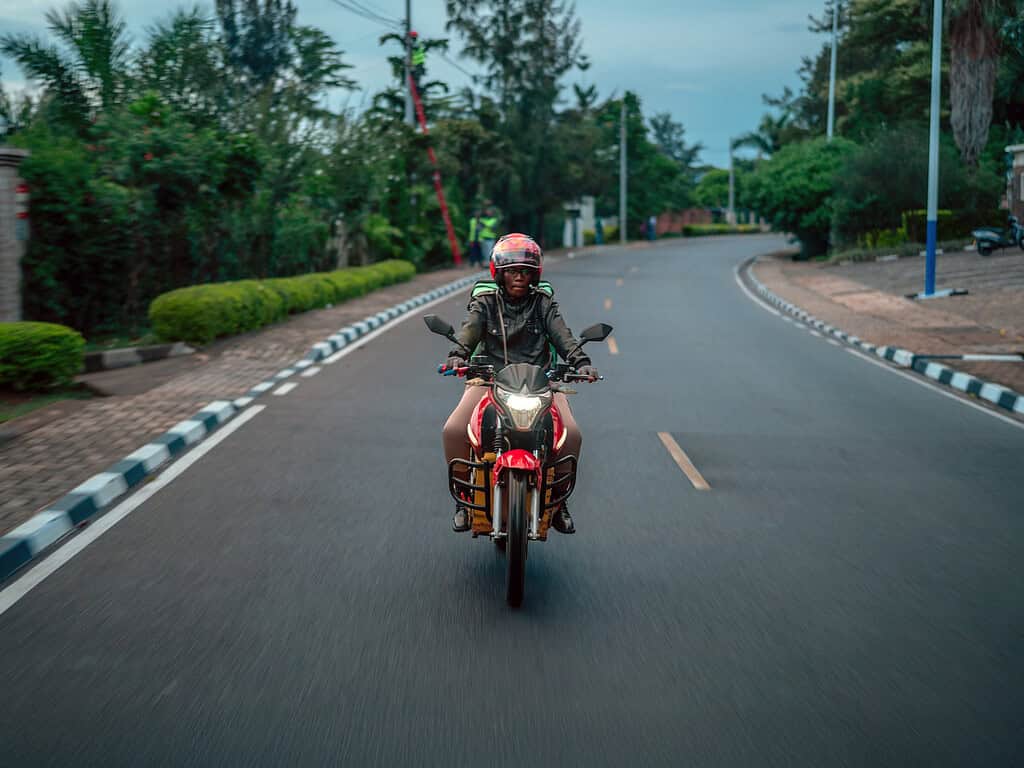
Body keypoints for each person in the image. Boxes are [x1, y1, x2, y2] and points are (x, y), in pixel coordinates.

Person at [442, 234, 599, 534]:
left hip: (541, 383)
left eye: (525, 271)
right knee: (453, 429)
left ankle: (558, 503)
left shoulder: (543, 303)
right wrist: (457, 355)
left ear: (534, 274)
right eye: (512, 271)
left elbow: (562, 335)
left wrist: (581, 362)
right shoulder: (485, 303)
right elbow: (469, 331)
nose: (519, 277)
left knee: (572, 434)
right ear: (499, 274)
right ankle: (464, 500)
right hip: (489, 379)